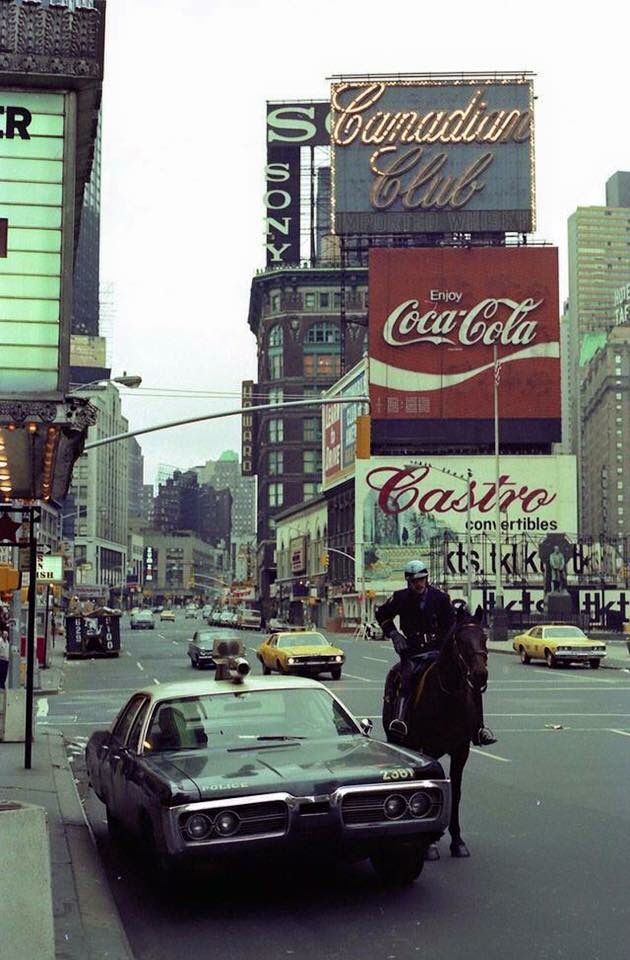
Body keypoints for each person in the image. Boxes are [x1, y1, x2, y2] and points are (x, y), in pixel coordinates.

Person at [375, 560, 496, 745]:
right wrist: (393, 634)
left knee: (470, 680)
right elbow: (382, 614)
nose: (419, 584)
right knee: (406, 677)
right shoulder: (400, 598)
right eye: (415, 580)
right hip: (413, 651)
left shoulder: (440, 598)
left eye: (422, 579)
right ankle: (400, 720)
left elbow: (450, 626)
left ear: (427, 579)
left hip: (438, 651)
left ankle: (479, 728)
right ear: (408, 581)